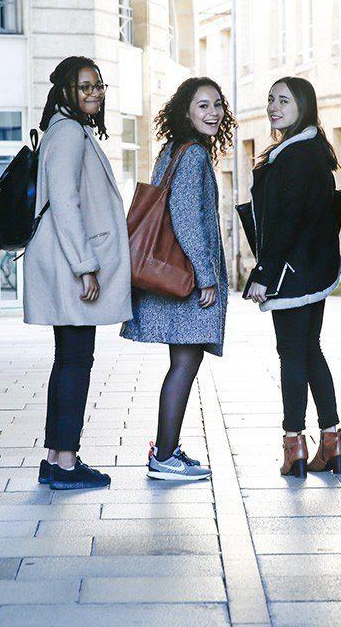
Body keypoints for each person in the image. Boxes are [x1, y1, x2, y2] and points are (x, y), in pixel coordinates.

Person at [24, 56, 132, 491]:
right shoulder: (68, 132)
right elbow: (66, 203)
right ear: (65, 90)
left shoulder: (67, 129)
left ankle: (56, 458)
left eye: (98, 85)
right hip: (70, 264)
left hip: (61, 260)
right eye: (84, 86)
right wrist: (86, 266)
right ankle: (65, 461)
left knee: (68, 360)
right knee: (75, 362)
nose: (94, 93)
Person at [121, 77, 235, 481]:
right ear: (186, 111)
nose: (213, 113)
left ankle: (166, 448)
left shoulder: (173, 150)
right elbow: (187, 219)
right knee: (185, 363)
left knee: (183, 362)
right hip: (187, 277)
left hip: (175, 272)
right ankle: (164, 455)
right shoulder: (192, 156)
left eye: (218, 105)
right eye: (203, 106)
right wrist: (207, 277)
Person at [244, 77, 341, 478]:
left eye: (284, 100)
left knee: (291, 355)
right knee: (310, 350)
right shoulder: (314, 150)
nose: (274, 106)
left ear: (304, 104)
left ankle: (293, 446)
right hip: (314, 269)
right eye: (271, 99)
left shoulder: (292, 156)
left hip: (290, 272)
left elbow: (282, 223)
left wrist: (264, 273)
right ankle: (332, 441)